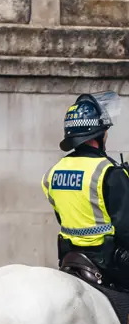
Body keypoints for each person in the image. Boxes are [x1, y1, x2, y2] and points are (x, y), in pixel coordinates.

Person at [42, 91, 129, 287]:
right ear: (97, 134)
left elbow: (64, 215)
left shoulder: (53, 172)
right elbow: (126, 230)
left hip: (69, 257)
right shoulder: (108, 172)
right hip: (107, 263)